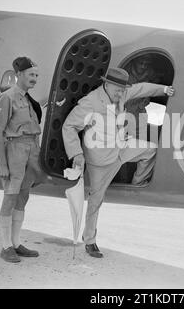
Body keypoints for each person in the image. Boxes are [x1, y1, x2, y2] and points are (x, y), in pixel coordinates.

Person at [62, 67, 175, 258]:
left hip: (121, 148)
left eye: (123, 90)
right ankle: (89, 240)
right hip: (101, 160)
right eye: (118, 90)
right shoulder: (91, 102)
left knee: (151, 149)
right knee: (96, 201)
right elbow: (69, 126)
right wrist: (77, 154)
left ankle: (137, 185)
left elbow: (141, 89)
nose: (121, 94)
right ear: (106, 84)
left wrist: (164, 90)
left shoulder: (122, 92)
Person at [0, 57, 45, 263]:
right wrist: (3, 164)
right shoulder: (7, 97)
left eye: (37, 75)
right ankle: (5, 247)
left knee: (23, 197)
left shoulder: (28, 100)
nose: (35, 79)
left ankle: (15, 243)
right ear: (19, 75)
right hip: (15, 149)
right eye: (31, 75)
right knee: (10, 197)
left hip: (31, 149)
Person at [124, 55, 161, 140]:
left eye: (146, 64)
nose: (143, 66)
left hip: (138, 110)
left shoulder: (150, 76)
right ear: (134, 63)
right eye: (141, 63)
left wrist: (143, 103)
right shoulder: (125, 73)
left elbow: (148, 96)